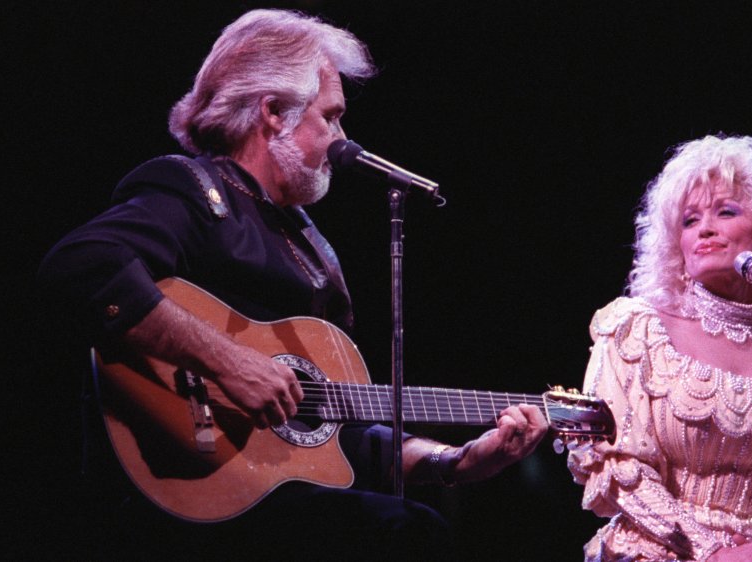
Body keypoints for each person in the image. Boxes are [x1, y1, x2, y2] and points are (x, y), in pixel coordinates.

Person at [37, 9, 546, 559]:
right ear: (274, 112)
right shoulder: (192, 190)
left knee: (408, 523)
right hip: (183, 497)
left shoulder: (311, 250)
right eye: (331, 117)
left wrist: (458, 462)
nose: (341, 137)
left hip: (278, 498)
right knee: (407, 532)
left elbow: (333, 438)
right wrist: (229, 363)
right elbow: (81, 264)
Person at [567, 135, 752, 561]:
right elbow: (614, 462)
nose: (704, 229)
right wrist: (712, 552)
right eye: (689, 221)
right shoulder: (637, 330)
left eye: (726, 212)